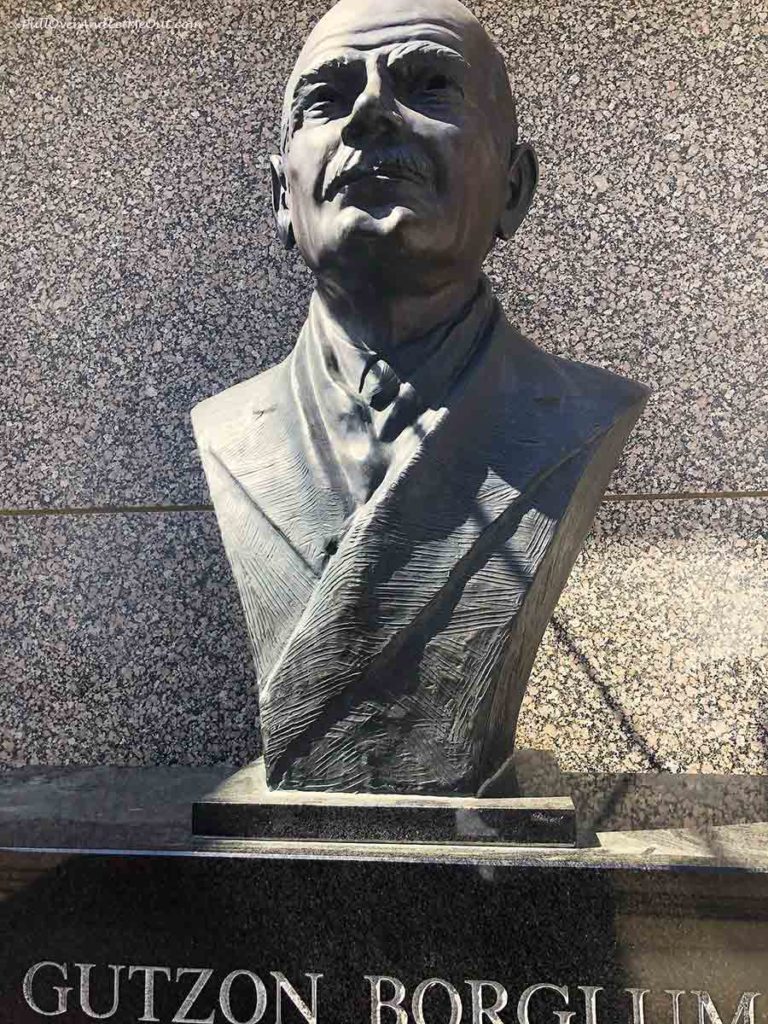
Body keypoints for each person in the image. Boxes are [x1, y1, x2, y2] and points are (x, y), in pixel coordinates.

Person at [192, 0, 648, 795]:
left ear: (514, 189)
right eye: (327, 99)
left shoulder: (580, 416)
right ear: (279, 197)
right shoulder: (229, 429)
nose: (370, 111)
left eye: (428, 85)